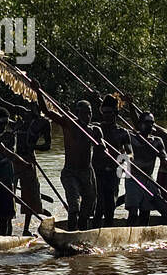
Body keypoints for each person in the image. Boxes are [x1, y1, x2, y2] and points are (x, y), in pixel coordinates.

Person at [35, 88, 102, 230]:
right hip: (70, 172)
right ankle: (71, 233)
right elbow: (46, 111)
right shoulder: (68, 124)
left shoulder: (94, 130)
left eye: (89, 113)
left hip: (87, 173)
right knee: (74, 206)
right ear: (77, 114)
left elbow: (102, 144)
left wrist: (102, 147)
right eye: (84, 113)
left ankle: (83, 232)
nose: (87, 116)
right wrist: (39, 92)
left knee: (87, 209)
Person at [13, 103, 51, 234]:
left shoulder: (44, 123)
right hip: (14, 157)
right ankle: (6, 226)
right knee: (9, 191)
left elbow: (47, 145)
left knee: (31, 194)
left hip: (29, 159)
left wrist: (33, 147)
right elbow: (2, 103)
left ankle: (26, 229)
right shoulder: (23, 114)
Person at [93, 94, 128, 227]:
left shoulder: (123, 132)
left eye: (110, 113)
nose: (106, 115)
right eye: (104, 112)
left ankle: (108, 228)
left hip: (114, 172)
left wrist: (121, 158)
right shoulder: (96, 128)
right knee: (99, 204)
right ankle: (95, 227)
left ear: (116, 113)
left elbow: (129, 153)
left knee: (110, 205)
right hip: (97, 171)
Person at [126, 112, 165, 225]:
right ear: (140, 123)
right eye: (147, 123)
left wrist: (163, 158)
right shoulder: (131, 138)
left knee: (145, 211)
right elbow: (123, 153)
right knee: (133, 211)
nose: (150, 126)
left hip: (148, 178)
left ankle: (143, 234)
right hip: (133, 178)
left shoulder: (157, 141)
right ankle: (130, 233)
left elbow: (164, 158)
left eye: (152, 123)